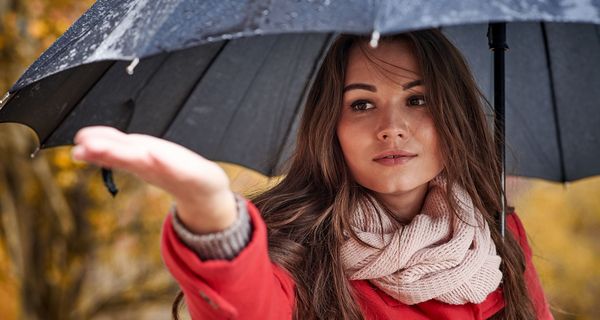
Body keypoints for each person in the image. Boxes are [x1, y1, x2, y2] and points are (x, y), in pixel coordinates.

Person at [72, 29, 553, 319]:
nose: (391, 128)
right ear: (332, 127)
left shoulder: (497, 232)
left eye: (417, 99)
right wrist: (212, 215)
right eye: (361, 104)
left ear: (454, 114)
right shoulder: (296, 245)